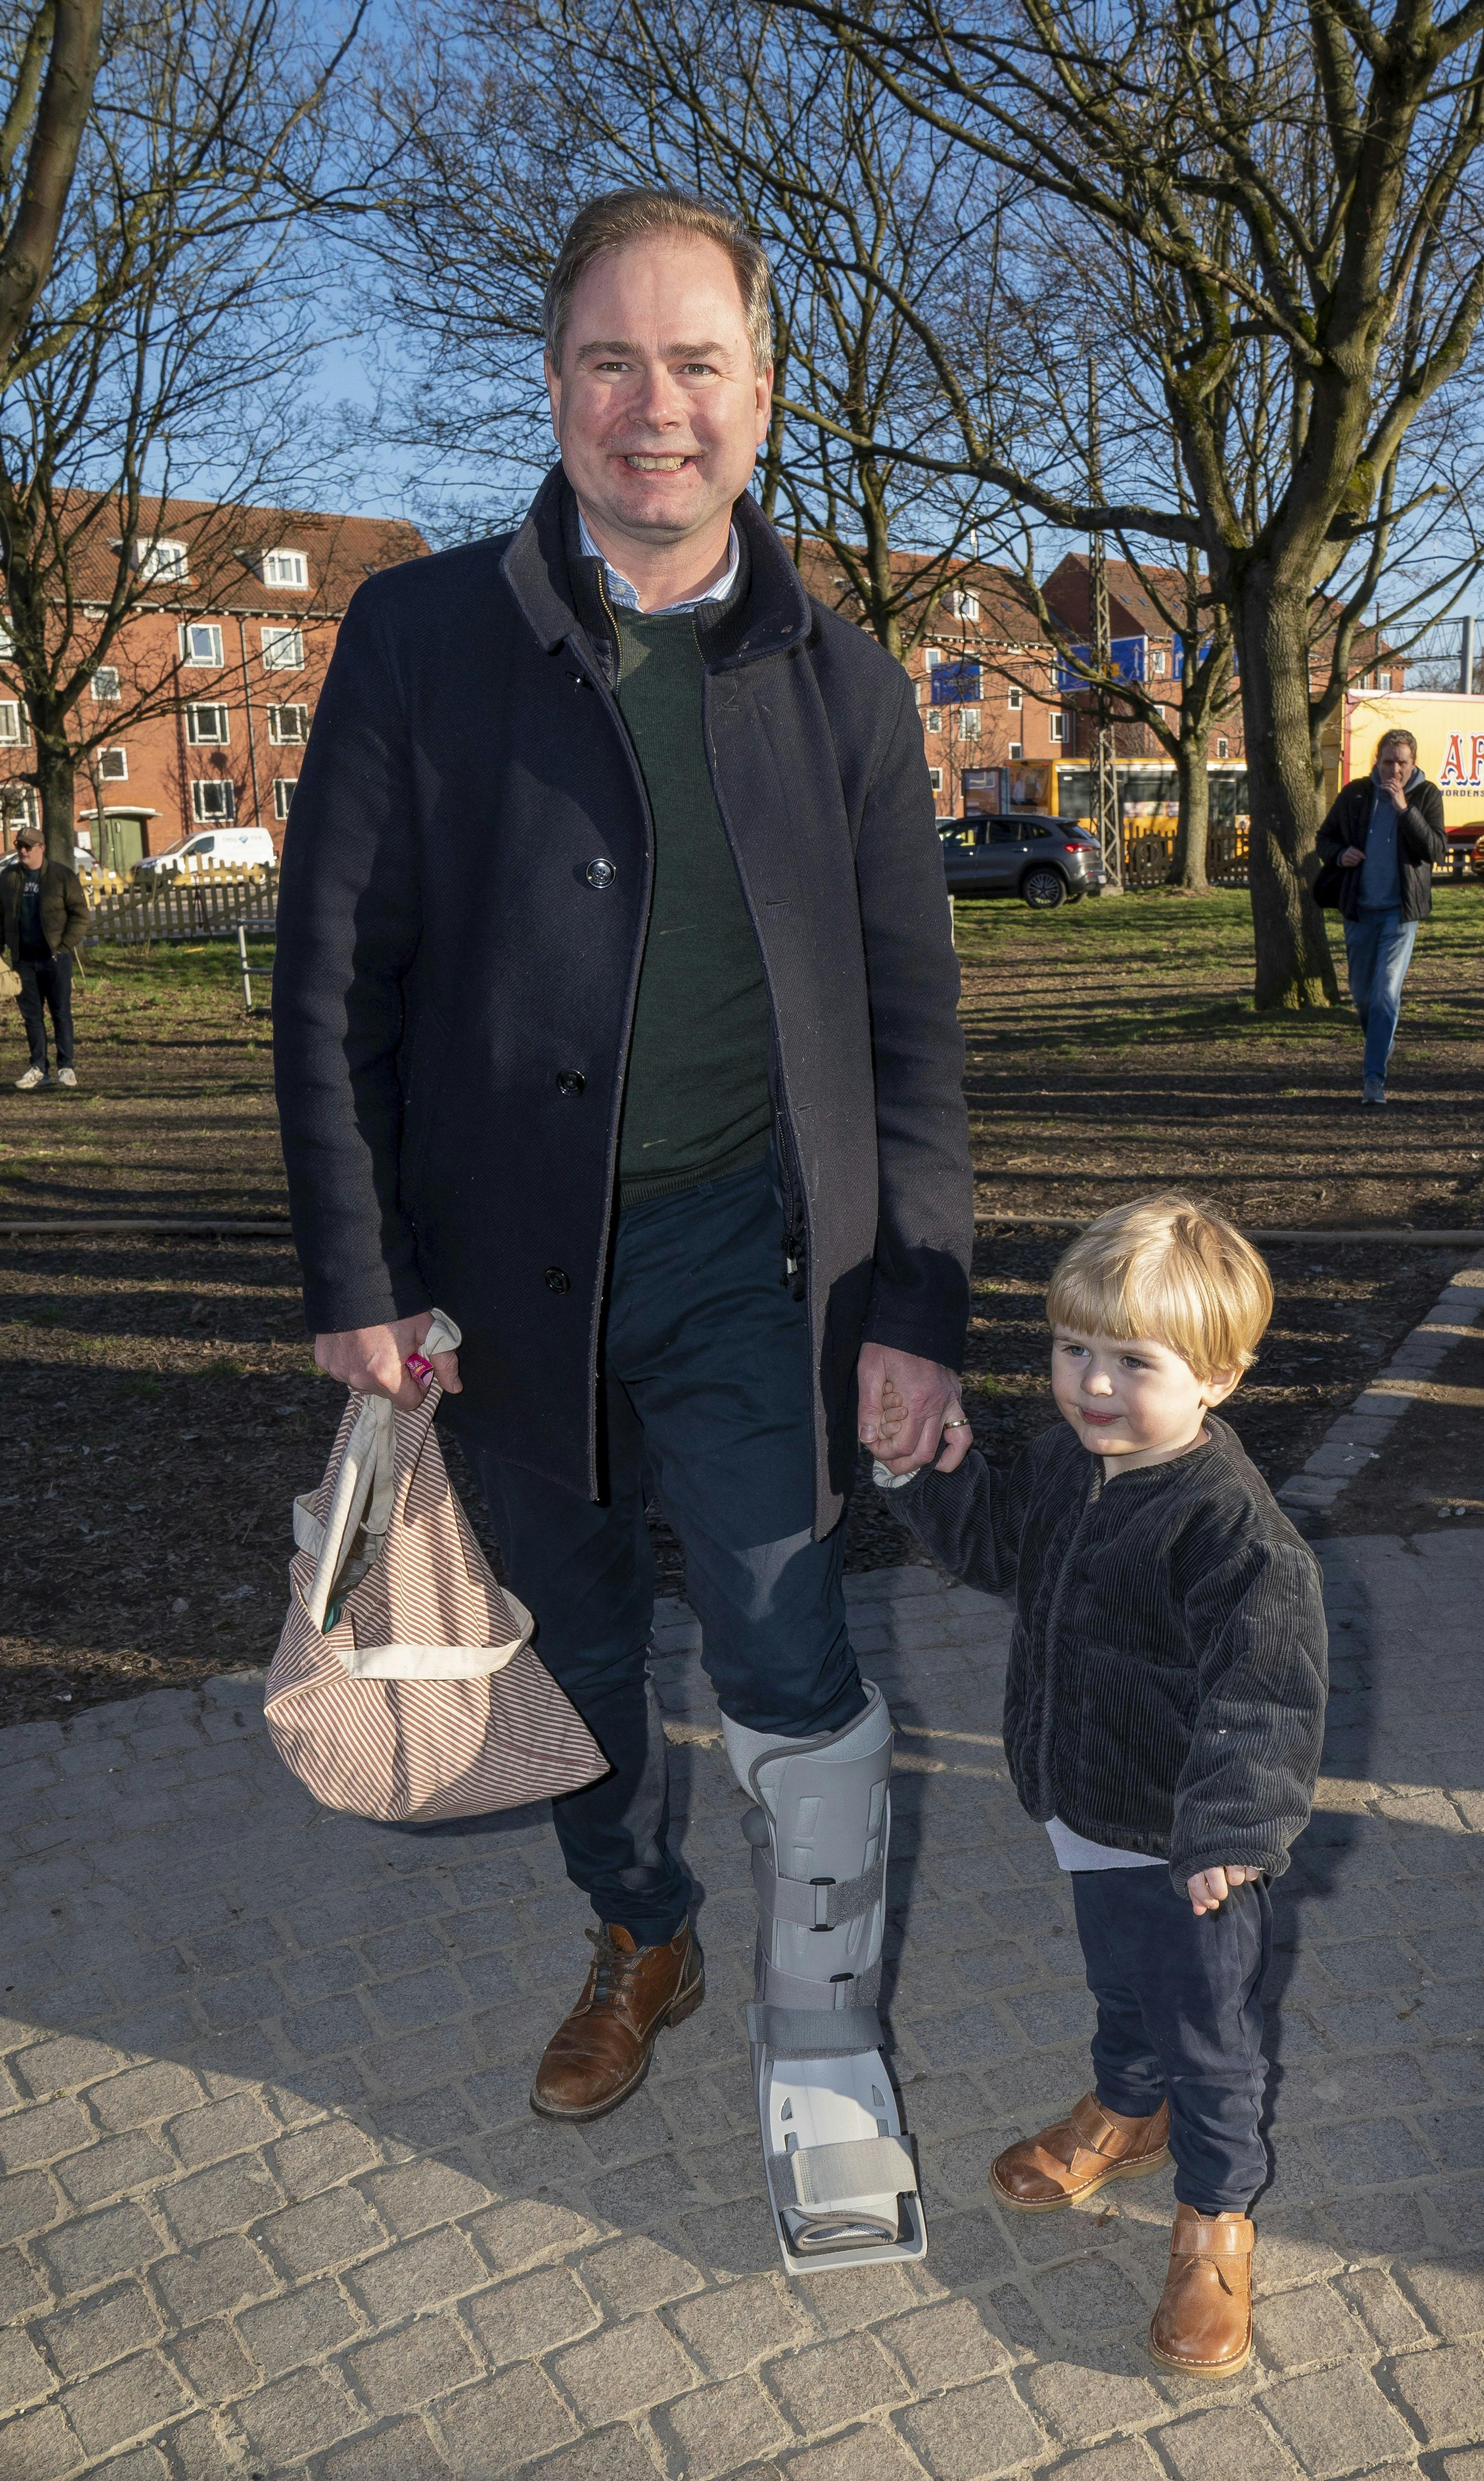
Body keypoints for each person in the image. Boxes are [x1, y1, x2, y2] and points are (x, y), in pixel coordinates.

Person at [270, 186, 972, 2274]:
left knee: (786, 1653)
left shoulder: (843, 684)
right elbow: (327, 988)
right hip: (498, 1285)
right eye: (610, 362)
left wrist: (916, 1298)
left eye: (697, 366)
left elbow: (915, 1017)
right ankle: (643, 1937)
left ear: (761, 391)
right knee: (575, 1657)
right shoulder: (419, 638)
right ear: (554, 382)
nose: (652, 412)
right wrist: (360, 1278)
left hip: (758, 1266)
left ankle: (826, 2046)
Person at [874, 1196, 1327, 2375]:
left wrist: (1231, 1825)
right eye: (1074, 1350)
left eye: (1134, 1362)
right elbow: (994, 1554)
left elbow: (1270, 1691)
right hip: (1084, 1801)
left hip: (1192, 1843)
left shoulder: (1234, 1531)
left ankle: (1216, 2212)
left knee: (1212, 2034)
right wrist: (927, 1474)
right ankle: (1127, 2110)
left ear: (1219, 1376)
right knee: (1119, 1980)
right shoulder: (1065, 1464)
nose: (1092, 1384)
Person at [1317, 728, 1446, 1105]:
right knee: (1362, 997)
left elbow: (1435, 849)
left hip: (1400, 914)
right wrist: (1340, 855)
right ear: (1377, 760)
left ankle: (1373, 1081)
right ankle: (1381, 1041)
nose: (1394, 770)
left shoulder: (1426, 795)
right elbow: (1324, 838)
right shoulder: (1355, 794)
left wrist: (1404, 809)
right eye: (1388, 761)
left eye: (1401, 763)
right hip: (1359, 911)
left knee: (1386, 992)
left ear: (1413, 764)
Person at [2, 823, 87, 1090]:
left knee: (61, 1012)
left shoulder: (61, 876)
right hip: (23, 959)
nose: (23, 851)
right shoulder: (8, 878)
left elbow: (80, 915)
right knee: (32, 1017)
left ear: (41, 848)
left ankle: (66, 1067)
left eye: (28, 846)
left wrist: (64, 946)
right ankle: (39, 1068)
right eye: (19, 846)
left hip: (55, 957)